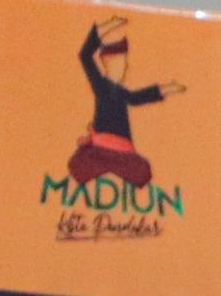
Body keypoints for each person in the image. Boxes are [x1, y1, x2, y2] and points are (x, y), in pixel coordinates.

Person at [67, 15, 183, 189]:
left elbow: (136, 98)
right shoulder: (100, 84)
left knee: (142, 172)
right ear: (108, 62)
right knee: (79, 166)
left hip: (123, 151)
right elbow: (85, 56)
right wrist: (107, 26)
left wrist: (165, 89)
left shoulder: (122, 92)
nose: (125, 67)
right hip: (100, 149)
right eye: (122, 63)